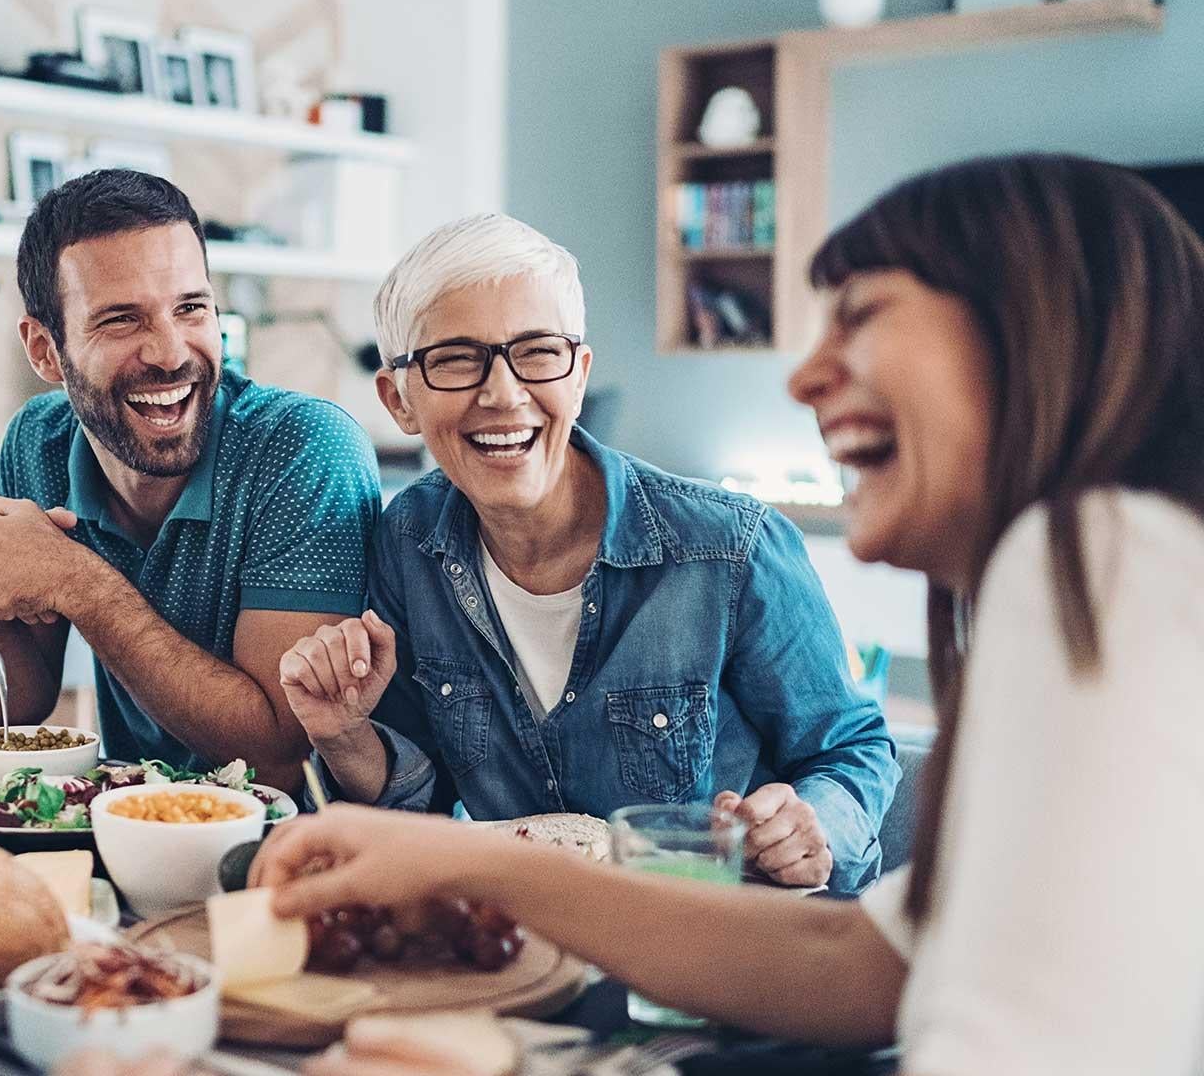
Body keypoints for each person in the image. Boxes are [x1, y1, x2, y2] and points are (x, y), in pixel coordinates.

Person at [254, 155, 1204, 1074]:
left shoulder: (1107, 570)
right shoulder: (1077, 584)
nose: (804, 377)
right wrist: (455, 859)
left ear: (1027, 335)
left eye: (861, 317)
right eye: (459, 361)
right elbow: (862, 968)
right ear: (402, 396)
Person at [276, 213, 897, 893]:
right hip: (525, 947)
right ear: (399, 400)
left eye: (538, 352)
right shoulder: (407, 543)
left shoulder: (731, 547)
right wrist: (343, 732)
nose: (503, 394)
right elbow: (418, 805)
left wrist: (812, 827)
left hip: (707, 953)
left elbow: (853, 751)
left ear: (578, 375)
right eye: (456, 359)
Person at [0, 169, 382, 791]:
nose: (170, 352)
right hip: (129, 825)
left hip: (298, 852)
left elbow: (280, 756)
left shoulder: (303, 451)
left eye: (191, 308)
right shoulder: (38, 443)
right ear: (44, 351)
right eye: (120, 320)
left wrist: (74, 580)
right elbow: (3, 714)